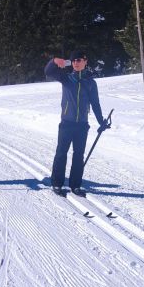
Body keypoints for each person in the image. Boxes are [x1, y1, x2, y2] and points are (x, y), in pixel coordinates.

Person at [45, 50, 110, 196]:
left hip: (82, 125)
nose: (76, 62)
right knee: (61, 154)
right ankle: (57, 183)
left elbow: (95, 104)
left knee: (78, 155)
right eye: (73, 60)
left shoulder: (91, 83)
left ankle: (75, 185)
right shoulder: (66, 78)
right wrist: (55, 60)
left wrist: (101, 122)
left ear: (85, 62)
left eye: (79, 60)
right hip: (66, 123)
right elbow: (48, 71)